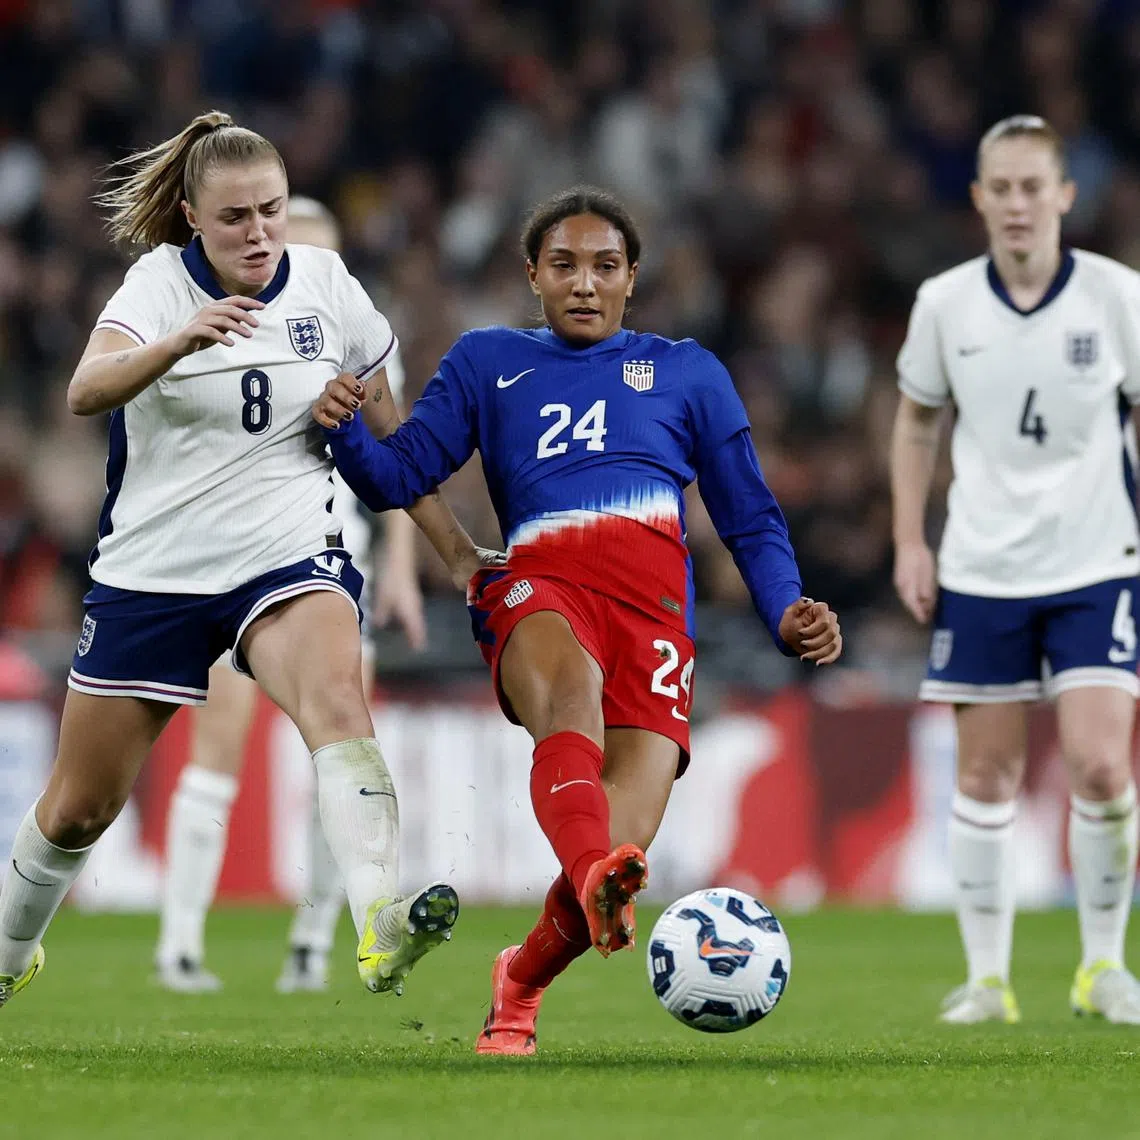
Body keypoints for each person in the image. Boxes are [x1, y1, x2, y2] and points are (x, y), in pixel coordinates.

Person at [312, 185, 842, 1054]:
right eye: (564, 266)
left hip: (656, 623)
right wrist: (342, 433)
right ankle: (591, 868)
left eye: (604, 267)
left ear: (633, 278)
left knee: (615, 861)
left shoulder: (690, 373)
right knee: (571, 702)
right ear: (533, 276)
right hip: (538, 589)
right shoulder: (488, 362)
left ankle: (518, 981)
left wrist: (787, 610)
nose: (584, 284)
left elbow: (749, 515)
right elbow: (399, 474)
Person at [0, 111, 479, 1013]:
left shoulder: (329, 285)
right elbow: (82, 391)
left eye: (271, 210)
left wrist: (453, 552)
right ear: (193, 219)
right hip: (156, 572)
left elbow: (396, 437)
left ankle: (380, 920)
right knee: (77, 808)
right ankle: (6, 953)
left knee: (339, 698)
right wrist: (177, 341)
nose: (260, 233)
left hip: (288, 552)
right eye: (236, 218)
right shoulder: (154, 287)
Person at [892, 114, 1140, 1025]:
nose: (1019, 204)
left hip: (1096, 561)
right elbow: (917, 419)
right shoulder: (945, 304)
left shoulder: (1118, 298)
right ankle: (988, 981)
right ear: (979, 199)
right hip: (984, 564)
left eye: (1035, 186)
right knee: (985, 779)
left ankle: (1103, 967)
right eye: (1001, 188)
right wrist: (911, 542)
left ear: (1065, 195)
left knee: (1103, 768)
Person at [154, 195, 428, 994]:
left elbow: (401, 459)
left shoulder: (361, 340)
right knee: (218, 752)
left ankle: (313, 944)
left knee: (337, 752)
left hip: (335, 572)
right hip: (237, 568)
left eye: (314, 247)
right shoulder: (225, 330)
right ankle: (179, 943)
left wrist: (403, 569)